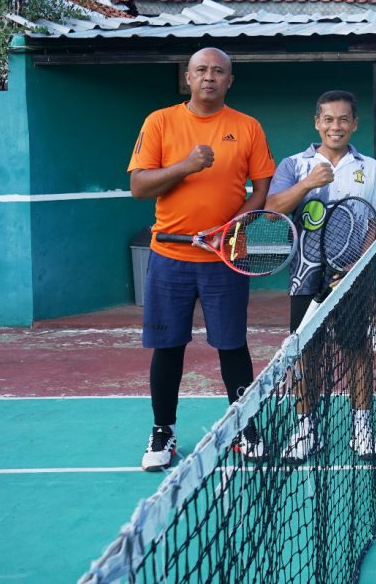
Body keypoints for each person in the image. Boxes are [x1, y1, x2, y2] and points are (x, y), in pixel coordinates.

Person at [128, 47, 276, 472]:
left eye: (218, 71)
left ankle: (244, 427)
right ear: (187, 78)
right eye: (200, 71)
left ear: (230, 80)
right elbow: (140, 186)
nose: (209, 77)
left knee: (232, 345)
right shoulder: (160, 121)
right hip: (169, 256)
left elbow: (262, 188)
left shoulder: (247, 127)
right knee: (167, 347)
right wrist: (186, 165)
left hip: (224, 259)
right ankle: (163, 432)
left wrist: (231, 231)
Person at [265, 90, 376, 462]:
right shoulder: (293, 165)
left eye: (343, 119)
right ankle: (307, 431)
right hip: (305, 279)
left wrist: (358, 265)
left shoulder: (371, 167)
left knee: (356, 352)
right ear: (317, 122)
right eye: (329, 119)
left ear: (354, 124)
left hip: (351, 280)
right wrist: (306, 184)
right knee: (305, 355)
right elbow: (271, 212)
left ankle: (362, 429)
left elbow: (374, 223)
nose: (336, 126)